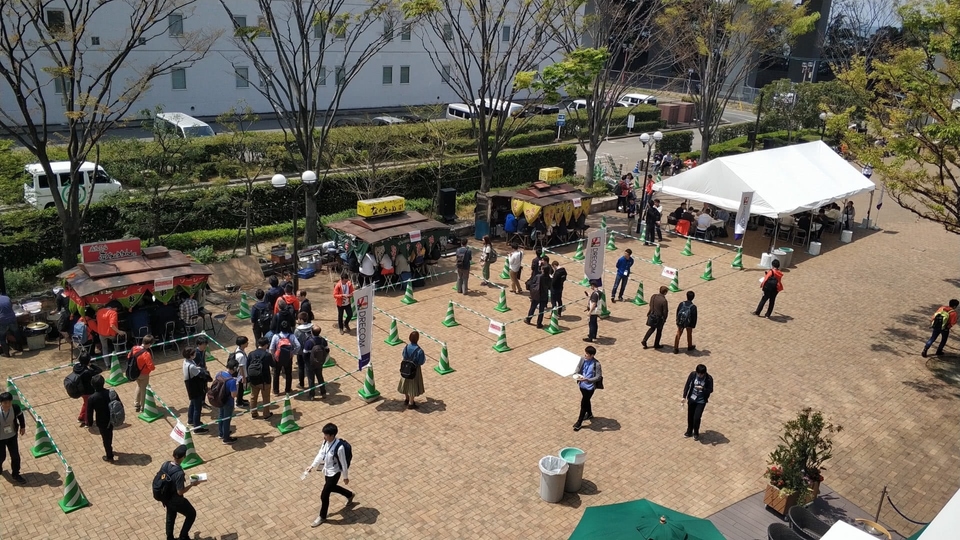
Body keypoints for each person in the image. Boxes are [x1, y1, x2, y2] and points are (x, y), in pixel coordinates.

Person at [305, 423, 355, 527]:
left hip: (335, 473)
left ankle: (322, 516)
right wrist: (312, 466)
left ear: (332, 435)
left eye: (326, 435)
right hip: (327, 471)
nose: (324, 436)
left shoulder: (339, 448)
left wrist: (345, 477)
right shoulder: (325, 442)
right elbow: (321, 454)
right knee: (331, 488)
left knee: (324, 495)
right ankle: (349, 495)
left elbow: (344, 464)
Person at [161, 444, 200, 540]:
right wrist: (191, 485)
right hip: (176, 499)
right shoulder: (179, 473)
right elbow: (180, 492)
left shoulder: (165, 464)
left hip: (166, 497)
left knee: (170, 517)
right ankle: (183, 536)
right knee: (191, 514)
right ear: (184, 457)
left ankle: (169, 538)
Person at [85, 374, 116, 462]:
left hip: (102, 421)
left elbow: (89, 412)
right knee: (109, 434)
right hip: (112, 418)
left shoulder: (92, 398)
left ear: (92, 385)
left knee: (105, 438)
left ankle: (109, 456)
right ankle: (110, 446)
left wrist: (90, 423)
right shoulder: (111, 393)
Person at [572, 346, 602, 432]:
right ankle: (589, 414)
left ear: (592, 355)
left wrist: (588, 380)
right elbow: (578, 367)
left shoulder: (597, 364)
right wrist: (576, 373)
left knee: (583, 404)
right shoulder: (582, 359)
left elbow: (598, 377)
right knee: (586, 400)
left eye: (587, 354)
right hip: (582, 385)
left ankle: (579, 422)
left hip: (590, 388)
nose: (585, 355)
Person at [0, 391, 27, 484]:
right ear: (1, 403)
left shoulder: (15, 408)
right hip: (0, 438)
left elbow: (20, 416)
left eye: (9, 402)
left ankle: (16, 474)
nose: (7, 404)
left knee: (15, 456)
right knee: (1, 456)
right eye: (5, 403)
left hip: (12, 436)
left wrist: (23, 426)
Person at [682, 364, 714, 441]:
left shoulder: (709, 379)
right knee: (690, 415)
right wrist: (684, 396)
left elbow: (711, 390)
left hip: (701, 401)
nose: (699, 375)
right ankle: (689, 431)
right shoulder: (693, 375)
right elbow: (687, 385)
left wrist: (703, 388)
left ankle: (696, 432)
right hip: (692, 399)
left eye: (701, 374)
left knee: (697, 417)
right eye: (698, 373)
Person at [182, 348, 209, 433]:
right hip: (194, 386)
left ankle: (191, 420)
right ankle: (197, 427)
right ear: (190, 355)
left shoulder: (186, 362)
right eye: (193, 354)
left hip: (189, 384)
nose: (195, 355)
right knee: (198, 407)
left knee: (193, 403)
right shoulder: (192, 366)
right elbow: (200, 374)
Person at [270, 321, 301, 395]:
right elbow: (298, 346)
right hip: (288, 358)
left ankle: (276, 391)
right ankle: (288, 390)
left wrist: (274, 356)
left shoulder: (276, 336)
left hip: (278, 358)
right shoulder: (292, 336)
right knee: (288, 374)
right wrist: (292, 353)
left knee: (276, 374)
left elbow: (271, 348)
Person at [247, 337, 274, 419]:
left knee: (253, 397)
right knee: (265, 397)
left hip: (254, 380)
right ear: (266, 345)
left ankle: (254, 413)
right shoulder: (267, 355)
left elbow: (247, 366)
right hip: (265, 381)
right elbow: (273, 365)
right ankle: (266, 414)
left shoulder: (251, 354)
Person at [398, 331, 426, 408]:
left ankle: (406, 399)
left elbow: (403, 355)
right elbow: (421, 361)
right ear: (417, 339)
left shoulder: (406, 347)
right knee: (412, 386)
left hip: (406, 368)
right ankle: (411, 403)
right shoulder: (419, 350)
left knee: (406, 383)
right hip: (415, 370)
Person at [213, 358, 239, 444]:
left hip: (220, 400)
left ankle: (221, 433)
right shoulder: (231, 381)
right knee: (227, 419)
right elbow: (234, 395)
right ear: (234, 368)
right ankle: (226, 438)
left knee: (221, 416)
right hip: (228, 402)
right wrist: (237, 385)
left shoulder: (219, 373)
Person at [130, 335, 156, 413]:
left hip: (135, 372)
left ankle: (136, 403)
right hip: (144, 374)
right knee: (144, 389)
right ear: (149, 344)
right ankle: (143, 407)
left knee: (138, 386)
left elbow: (129, 356)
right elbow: (151, 366)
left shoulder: (134, 348)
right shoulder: (146, 354)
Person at [73, 354, 102, 425]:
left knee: (86, 404)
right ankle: (87, 421)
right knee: (89, 406)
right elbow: (99, 370)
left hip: (80, 390)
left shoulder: (76, 367)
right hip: (88, 391)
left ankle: (81, 417)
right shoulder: (87, 372)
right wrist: (91, 365)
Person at [302, 326, 328, 400]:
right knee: (320, 377)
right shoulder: (323, 340)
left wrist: (307, 362)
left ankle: (312, 395)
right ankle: (323, 393)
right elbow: (327, 350)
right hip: (319, 363)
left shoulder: (309, 342)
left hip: (310, 364)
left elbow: (305, 353)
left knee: (311, 379)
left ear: (312, 332)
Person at [232, 336, 250, 407]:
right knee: (240, 389)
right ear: (242, 344)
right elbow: (241, 367)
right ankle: (239, 402)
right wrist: (243, 377)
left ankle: (240, 399)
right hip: (240, 375)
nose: (247, 343)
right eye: (246, 342)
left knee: (241, 388)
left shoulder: (239, 350)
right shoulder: (240, 356)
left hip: (240, 375)